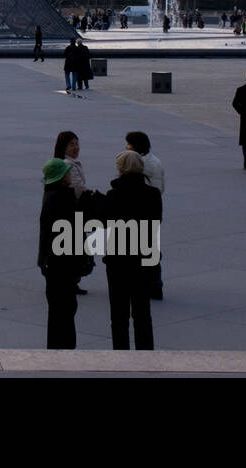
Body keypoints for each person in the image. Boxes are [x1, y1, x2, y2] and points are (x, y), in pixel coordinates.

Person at [38, 157, 104, 349]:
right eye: (67, 173)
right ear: (61, 176)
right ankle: (66, 346)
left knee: (56, 307)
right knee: (66, 307)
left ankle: (55, 345)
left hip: (51, 261)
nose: (70, 176)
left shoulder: (50, 194)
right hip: (63, 262)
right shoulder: (64, 198)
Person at [103, 150, 162, 350]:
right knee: (142, 313)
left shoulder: (113, 195)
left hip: (117, 260)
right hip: (143, 258)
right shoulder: (153, 195)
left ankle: (120, 355)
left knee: (118, 315)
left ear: (120, 169)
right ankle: (146, 355)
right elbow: (156, 224)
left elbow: (105, 222)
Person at [125, 131, 165, 300]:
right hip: (154, 208)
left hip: (141, 210)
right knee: (151, 248)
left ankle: (145, 283)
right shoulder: (156, 160)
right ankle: (155, 284)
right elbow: (162, 186)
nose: (126, 147)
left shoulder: (140, 164)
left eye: (128, 144)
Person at [53, 130, 91, 294]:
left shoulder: (67, 163)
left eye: (77, 144)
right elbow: (77, 189)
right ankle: (71, 280)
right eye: (71, 144)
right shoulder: (68, 165)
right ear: (63, 147)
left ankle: (70, 280)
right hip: (72, 211)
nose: (76, 148)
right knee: (73, 247)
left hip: (70, 211)